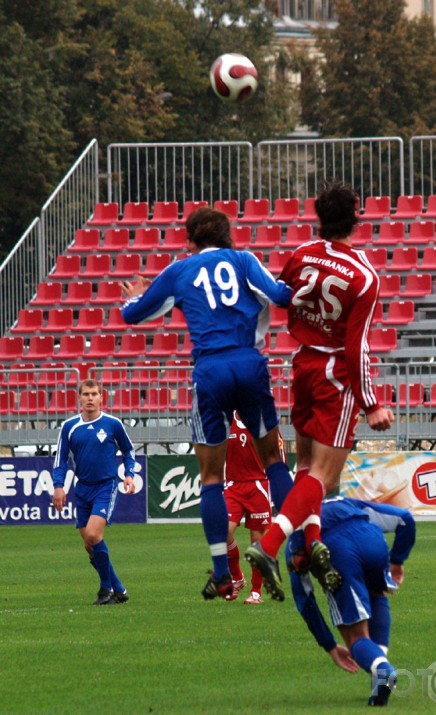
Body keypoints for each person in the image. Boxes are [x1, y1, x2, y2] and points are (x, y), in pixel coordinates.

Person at [120, 206, 294, 601]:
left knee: (212, 476)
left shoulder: (179, 270)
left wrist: (130, 299)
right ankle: (295, 546)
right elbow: (281, 296)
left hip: (210, 371)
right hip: (249, 365)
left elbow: (134, 316)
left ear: (190, 240)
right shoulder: (244, 260)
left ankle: (220, 572)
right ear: (227, 235)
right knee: (274, 461)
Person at [246, 180, 395, 601]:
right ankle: (270, 543)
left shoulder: (300, 255)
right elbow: (356, 346)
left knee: (307, 468)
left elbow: (280, 296)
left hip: (303, 364)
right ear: (357, 216)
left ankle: (307, 547)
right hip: (334, 375)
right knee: (325, 478)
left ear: (319, 217)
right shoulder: (364, 275)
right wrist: (371, 403)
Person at [287, 495, 416, 707]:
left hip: (336, 550)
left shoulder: (297, 531)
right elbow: (405, 519)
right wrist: (397, 561)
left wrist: (329, 645)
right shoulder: (346, 502)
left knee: (355, 636)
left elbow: (304, 599)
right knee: (376, 593)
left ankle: (383, 671)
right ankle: (378, 672)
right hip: (371, 539)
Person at [52, 379, 137, 605]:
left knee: (92, 534)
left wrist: (129, 474)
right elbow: (60, 459)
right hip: (83, 488)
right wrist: (58, 485)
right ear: (79, 398)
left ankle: (105, 588)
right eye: (86, 394)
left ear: (102, 397)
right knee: (89, 545)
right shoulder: (70, 427)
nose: (90, 398)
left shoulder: (112, 424)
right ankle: (118, 589)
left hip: (105, 487)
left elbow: (129, 451)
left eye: (94, 394)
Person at [224, 412, 289, 604]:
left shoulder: (265, 422)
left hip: (258, 485)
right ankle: (237, 578)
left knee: (257, 542)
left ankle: (255, 591)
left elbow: (279, 456)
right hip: (233, 485)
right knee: (224, 532)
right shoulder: (228, 418)